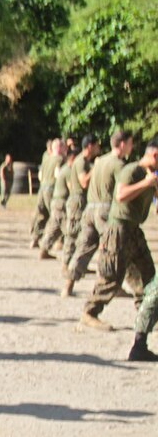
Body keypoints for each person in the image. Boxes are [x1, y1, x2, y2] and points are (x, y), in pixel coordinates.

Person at [78, 140, 158, 337]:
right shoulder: (131, 170)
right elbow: (121, 195)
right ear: (155, 155)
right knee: (112, 276)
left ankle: (145, 316)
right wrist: (146, 183)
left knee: (148, 274)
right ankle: (89, 312)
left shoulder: (150, 176)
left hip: (133, 230)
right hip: (118, 229)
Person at [64, 130, 133, 296]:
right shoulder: (118, 164)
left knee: (83, 248)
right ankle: (111, 287)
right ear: (122, 144)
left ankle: (68, 285)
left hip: (90, 210)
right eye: (130, 143)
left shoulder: (99, 161)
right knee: (111, 249)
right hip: (105, 211)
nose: (132, 147)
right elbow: (123, 189)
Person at [61, 134, 99, 276]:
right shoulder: (81, 161)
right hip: (77, 201)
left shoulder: (84, 161)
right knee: (73, 233)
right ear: (90, 146)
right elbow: (84, 182)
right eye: (96, 145)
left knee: (80, 235)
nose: (98, 148)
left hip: (81, 200)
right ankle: (66, 265)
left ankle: (75, 265)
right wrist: (96, 169)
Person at [39, 145, 76, 259]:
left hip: (55, 201)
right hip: (62, 202)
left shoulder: (64, 169)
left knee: (53, 226)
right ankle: (69, 258)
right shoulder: (68, 171)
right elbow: (72, 188)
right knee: (71, 230)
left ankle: (43, 249)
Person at [31, 138, 63, 248]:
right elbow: (57, 174)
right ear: (59, 148)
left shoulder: (46, 159)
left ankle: (35, 238)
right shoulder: (59, 159)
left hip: (42, 188)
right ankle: (58, 240)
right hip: (51, 189)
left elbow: (40, 175)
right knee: (56, 215)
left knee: (41, 214)